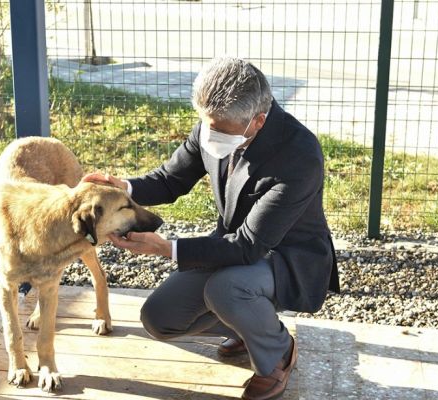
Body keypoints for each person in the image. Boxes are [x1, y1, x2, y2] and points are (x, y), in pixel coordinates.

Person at [84, 57, 339, 400]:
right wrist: (123, 188)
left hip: (288, 257)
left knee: (227, 289)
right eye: (206, 125)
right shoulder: (215, 124)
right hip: (235, 244)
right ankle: (250, 328)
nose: (210, 136)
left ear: (258, 121)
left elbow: (249, 246)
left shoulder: (300, 155)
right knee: (160, 318)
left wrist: (165, 247)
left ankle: (277, 352)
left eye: (220, 130)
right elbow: (171, 179)